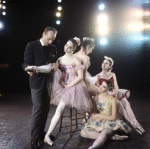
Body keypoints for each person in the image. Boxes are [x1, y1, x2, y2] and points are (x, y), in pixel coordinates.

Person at [26, 37, 93, 146]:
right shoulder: (60, 59)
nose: (66, 48)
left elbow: (80, 77)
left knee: (63, 108)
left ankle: (48, 135)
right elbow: (56, 73)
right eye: (66, 45)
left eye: (70, 47)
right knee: (59, 109)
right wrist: (61, 82)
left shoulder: (76, 60)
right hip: (65, 86)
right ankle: (47, 135)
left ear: (74, 49)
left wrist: (69, 85)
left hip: (74, 86)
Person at [22, 27, 57, 148]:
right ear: (43, 34)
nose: (51, 42)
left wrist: (54, 66)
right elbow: (25, 62)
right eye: (49, 39)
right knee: (37, 109)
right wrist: (28, 70)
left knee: (46, 109)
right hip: (36, 82)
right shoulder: (32, 45)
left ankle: (41, 133)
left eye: (53, 39)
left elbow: (53, 62)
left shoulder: (53, 48)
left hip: (48, 83)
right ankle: (34, 138)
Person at [95, 56, 145, 135]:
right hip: (106, 95)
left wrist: (115, 94)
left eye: (106, 63)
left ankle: (135, 122)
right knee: (120, 104)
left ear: (110, 66)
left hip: (114, 92)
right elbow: (99, 89)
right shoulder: (98, 76)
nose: (103, 64)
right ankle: (132, 123)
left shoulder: (113, 74)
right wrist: (110, 96)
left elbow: (116, 86)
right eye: (103, 63)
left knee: (126, 102)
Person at [81, 80, 132, 149]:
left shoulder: (112, 99)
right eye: (101, 85)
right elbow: (93, 114)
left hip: (109, 122)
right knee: (83, 132)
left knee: (104, 133)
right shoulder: (95, 98)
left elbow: (113, 117)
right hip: (99, 121)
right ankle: (112, 137)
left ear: (108, 89)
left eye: (104, 86)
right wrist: (96, 116)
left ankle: (93, 147)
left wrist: (100, 116)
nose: (100, 87)